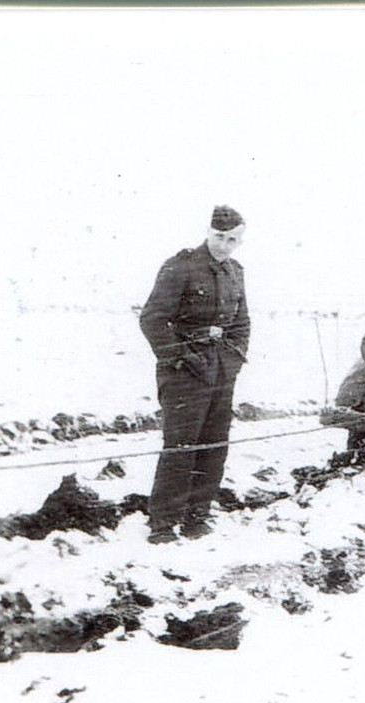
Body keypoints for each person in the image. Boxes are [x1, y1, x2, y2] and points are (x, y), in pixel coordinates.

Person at [139, 205, 251, 543]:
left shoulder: (236, 272)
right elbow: (153, 320)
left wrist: (232, 362)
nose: (225, 245)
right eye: (220, 237)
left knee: (215, 445)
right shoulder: (181, 266)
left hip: (221, 372)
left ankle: (197, 517)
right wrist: (180, 359)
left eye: (233, 240)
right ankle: (163, 524)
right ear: (208, 231)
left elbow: (242, 323)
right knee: (181, 446)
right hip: (184, 374)